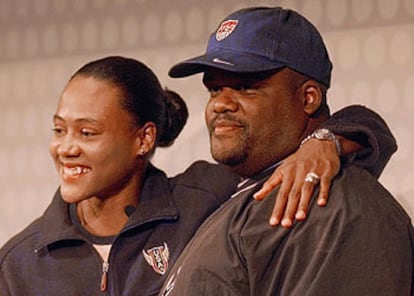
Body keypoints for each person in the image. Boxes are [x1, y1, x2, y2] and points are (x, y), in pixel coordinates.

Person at [0, 57, 396, 295]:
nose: (66, 147)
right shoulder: (19, 261)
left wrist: (325, 141)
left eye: (87, 133)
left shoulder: (206, 197)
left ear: (144, 138)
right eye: (59, 130)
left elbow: (366, 127)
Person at [159, 7, 414, 296]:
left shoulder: (325, 202)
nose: (220, 104)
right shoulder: (233, 191)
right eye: (214, 90)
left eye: (245, 87)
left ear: (308, 98)